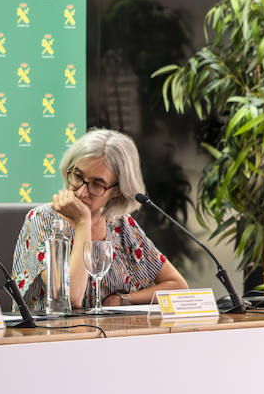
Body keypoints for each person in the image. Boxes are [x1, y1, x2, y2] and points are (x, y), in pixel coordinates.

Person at [12, 128, 188, 310]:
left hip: (107, 335)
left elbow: (178, 287)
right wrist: (83, 223)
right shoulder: (42, 220)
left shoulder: (121, 226)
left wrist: (124, 299)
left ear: (118, 190)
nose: (81, 191)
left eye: (97, 184)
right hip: (51, 335)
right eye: (78, 176)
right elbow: (71, 299)